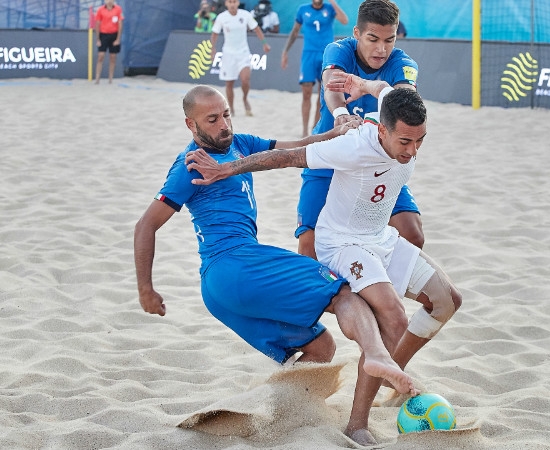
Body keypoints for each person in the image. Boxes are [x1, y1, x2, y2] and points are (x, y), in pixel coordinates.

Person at [186, 78, 462, 447]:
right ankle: (357, 424)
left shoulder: (396, 106)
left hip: (382, 238)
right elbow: (283, 158)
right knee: (392, 318)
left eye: (420, 141)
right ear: (383, 129)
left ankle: (394, 374)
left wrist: (360, 84)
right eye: (405, 142)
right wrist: (227, 169)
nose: (412, 151)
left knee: (447, 301)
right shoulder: (353, 147)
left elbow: (382, 87)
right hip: (344, 244)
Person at [134, 85, 418, 416]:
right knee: (342, 290)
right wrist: (146, 289)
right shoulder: (191, 166)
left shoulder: (240, 144)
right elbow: (145, 225)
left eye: (226, 114)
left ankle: (278, 416)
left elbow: (297, 148)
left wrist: (336, 132)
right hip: (234, 265)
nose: (224, 125)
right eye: (211, 120)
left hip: (221, 290)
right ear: (190, 125)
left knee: (320, 347)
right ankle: (378, 356)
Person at [295, 0, 423, 261]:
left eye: (390, 40)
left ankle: (377, 291)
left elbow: (404, 101)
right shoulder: (339, 50)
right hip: (330, 157)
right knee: (309, 247)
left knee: (413, 236)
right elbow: (332, 85)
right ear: (356, 33)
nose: (382, 49)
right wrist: (341, 115)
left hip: (377, 162)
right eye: (373, 38)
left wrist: (366, 85)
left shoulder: (403, 62)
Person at [281, 0, 349, 137]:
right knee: (306, 94)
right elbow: (295, 31)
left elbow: (345, 21)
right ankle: (304, 130)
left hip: (326, 55)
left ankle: (314, 128)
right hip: (308, 54)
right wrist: (285, 51)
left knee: (322, 94)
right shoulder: (303, 9)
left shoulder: (330, 8)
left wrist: (333, 2)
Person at [210, 0, 270, 117]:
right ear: (226, 4)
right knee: (229, 84)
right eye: (230, 2)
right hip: (228, 54)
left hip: (243, 53)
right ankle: (231, 108)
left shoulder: (245, 15)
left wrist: (264, 43)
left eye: (234, 1)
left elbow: (257, 29)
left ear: (238, 3)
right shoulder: (221, 17)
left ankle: (245, 99)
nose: (232, 4)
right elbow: (214, 34)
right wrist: (213, 49)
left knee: (245, 80)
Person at [93, 0, 124, 84]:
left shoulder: (118, 9)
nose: (108, 1)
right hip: (103, 35)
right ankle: (97, 78)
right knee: (101, 56)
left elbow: (120, 23)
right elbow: (97, 24)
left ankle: (110, 78)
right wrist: (98, 39)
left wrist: (118, 39)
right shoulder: (100, 10)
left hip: (114, 34)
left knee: (113, 57)